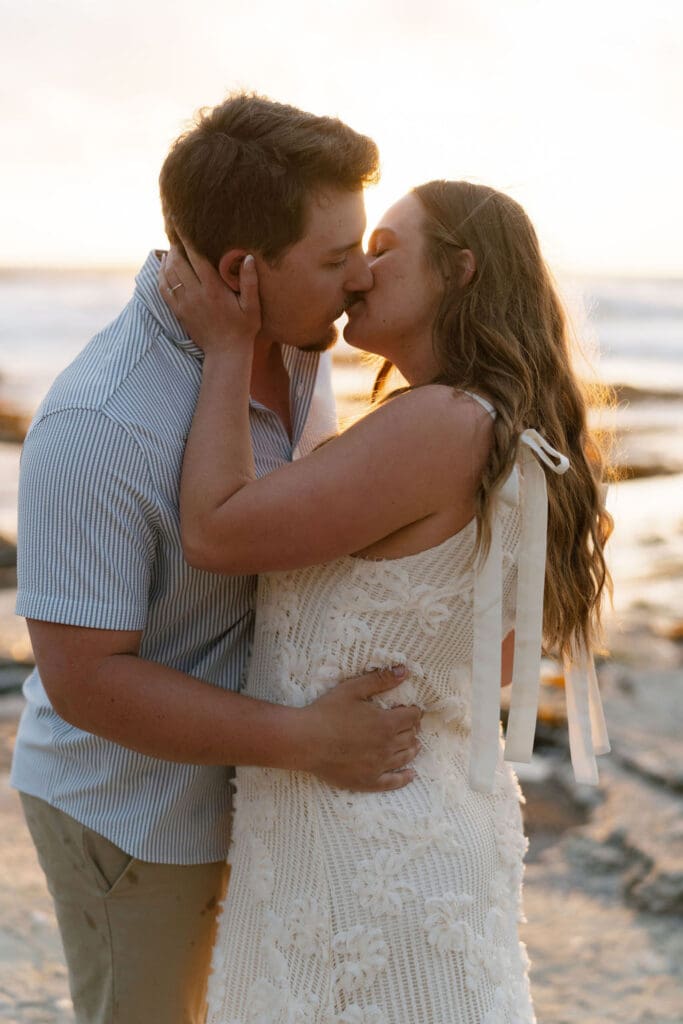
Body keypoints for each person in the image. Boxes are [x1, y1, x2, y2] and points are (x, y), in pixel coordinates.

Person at [10, 94, 424, 1024]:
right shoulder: (101, 425)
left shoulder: (303, 339)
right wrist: (308, 740)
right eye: (332, 259)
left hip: (260, 792)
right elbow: (84, 682)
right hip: (137, 815)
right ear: (242, 271)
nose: (359, 278)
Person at [159, 179, 612, 1023]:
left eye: (386, 249)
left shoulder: (438, 423)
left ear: (460, 272)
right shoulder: (510, 433)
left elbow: (216, 534)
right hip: (415, 819)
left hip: (366, 844)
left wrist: (229, 347)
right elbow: (492, 662)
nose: (359, 272)